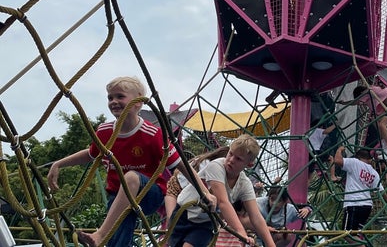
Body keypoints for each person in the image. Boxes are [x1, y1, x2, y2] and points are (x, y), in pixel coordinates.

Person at [47, 76, 216, 247]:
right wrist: (59, 163)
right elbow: (91, 153)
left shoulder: (152, 135)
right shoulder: (105, 132)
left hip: (150, 193)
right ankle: (107, 238)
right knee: (117, 238)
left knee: (131, 178)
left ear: (138, 102)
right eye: (110, 97)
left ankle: (100, 233)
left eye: (120, 96)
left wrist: (205, 192)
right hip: (120, 196)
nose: (114, 101)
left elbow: (181, 165)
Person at [169, 134, 276, 247]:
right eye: (230, 154)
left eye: (238, 159)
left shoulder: (244, 183)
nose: (231, 160)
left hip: (206, 223)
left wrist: (271, 245)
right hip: (183, 214)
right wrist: (240, 231)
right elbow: (223, 202)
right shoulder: (216, 166)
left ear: (249, 165)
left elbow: (256, 217)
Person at [327, 146, 387, 247]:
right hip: (367, 206)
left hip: (354, 204)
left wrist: (339, 149)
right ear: (369, 160)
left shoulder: (355, 162)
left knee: (347, 233)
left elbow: (338, 161)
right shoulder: (374, 173)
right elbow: (381, 191)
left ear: (358, 157)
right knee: (356, 234)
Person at [165, 146, 230, 223]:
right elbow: (192, 186)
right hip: (176, 189)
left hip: (184, 191)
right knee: (172, 221)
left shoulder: (207, 162)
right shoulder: (208, 165)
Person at [341, 84, 387, 158]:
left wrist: (344, 103)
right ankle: (385, 143)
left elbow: (355, 102)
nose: (362, 103)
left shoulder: (369, 90)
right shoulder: (371, 95)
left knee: (382, 125)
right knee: (374, 120)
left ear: (360, 93)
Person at [240, 186, 313, 246]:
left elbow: (305, 212)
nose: (274, 203)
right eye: (272, 199)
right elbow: (242, 213)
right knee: (248, 219)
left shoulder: (289, 210)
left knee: (288, 235)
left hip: (273, 237)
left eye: (279, 200)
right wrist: (264, 227)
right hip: (255, 234)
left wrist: (307, 209)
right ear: (268, 198)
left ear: (285, 201)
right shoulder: (259, 203)